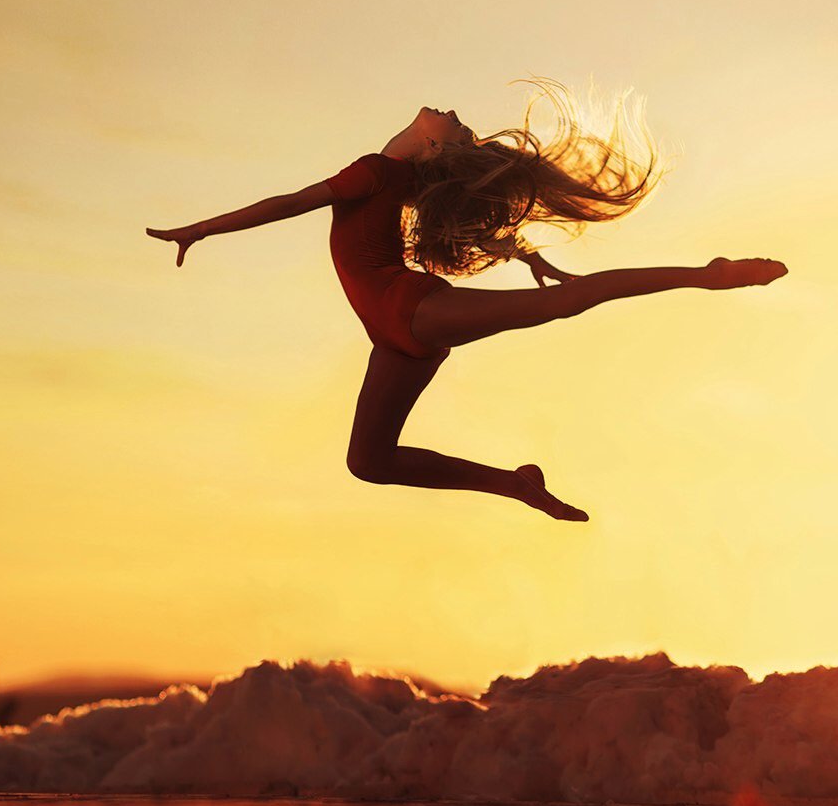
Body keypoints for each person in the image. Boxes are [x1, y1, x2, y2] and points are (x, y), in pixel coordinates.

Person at [147, 77, 786, 522]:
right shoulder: (388, 177)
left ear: (430, 147)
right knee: (368, 462)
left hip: (409, 310)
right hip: (391, 337)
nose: (454, 115)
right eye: (458, 126)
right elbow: (304, 204)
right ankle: (516, 485)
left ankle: (710, 274)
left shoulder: (373, 170)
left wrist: (199, 229)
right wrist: (524, 254)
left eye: (456, 130)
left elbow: (291, 203)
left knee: (565, 306)